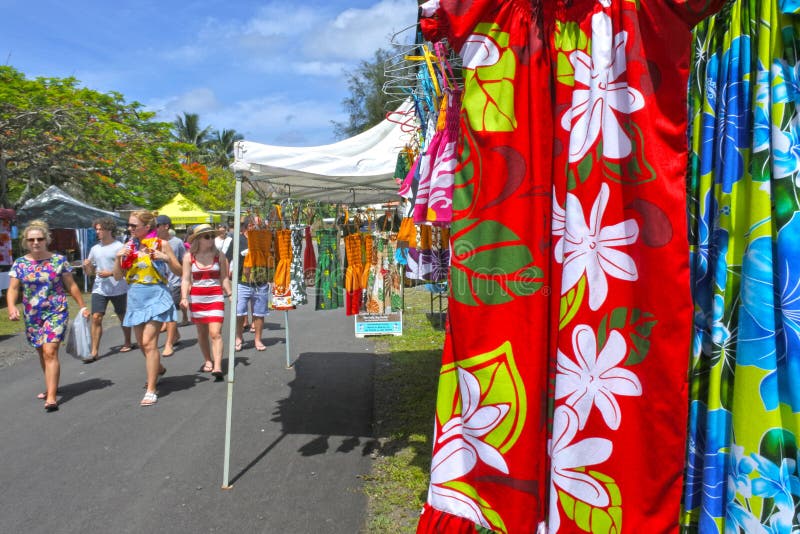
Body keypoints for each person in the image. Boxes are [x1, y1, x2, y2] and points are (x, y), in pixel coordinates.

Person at [6, 220, 89, 412]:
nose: (36, 242)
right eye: (32, 239)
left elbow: (71, 285)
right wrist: (11, 307)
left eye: (40, 239)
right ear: (26, 241)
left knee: (50, 351)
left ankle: (52, 397)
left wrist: (83, 306)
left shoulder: (58, 260)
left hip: (56, 311)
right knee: (42, 352)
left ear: (47, 240)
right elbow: (13, 288)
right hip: (32, 314)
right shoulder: (20, 264)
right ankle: (50, 385)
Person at [112, 210, 182, 407]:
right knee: (142, 345)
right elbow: (118, 276)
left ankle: (152, 389)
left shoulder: (161, 244)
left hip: (156, 294)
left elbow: (179, 271)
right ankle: (157, 367)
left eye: (134, 226)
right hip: (135, 296)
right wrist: (118, 258)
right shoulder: (129, 247)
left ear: (147, 227)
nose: (130, 229)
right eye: (129, 225)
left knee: (148, 342)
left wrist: (166, 258)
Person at [181, 224, 232, 380]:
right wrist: (184, 297)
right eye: (207, 236)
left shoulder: (220, 255)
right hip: (197, 298)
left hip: (215, 296)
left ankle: (217, 366)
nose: (211, 239)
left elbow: (223, 277)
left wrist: (230, 293)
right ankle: (207, 360)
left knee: (215, 333)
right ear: (198, 239)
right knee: (202, 333)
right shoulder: (189, 256)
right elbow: (185, 279)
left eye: (212, 236)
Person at [82, 217, 133, 361]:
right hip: (100, 288)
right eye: (96, 229)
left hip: (118, 287)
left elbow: (127, 269)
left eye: (100, 229)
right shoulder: (94, 248)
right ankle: (94, 351)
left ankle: (128, 341)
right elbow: (90, 273)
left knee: (122, 315)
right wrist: (87, 266)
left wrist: (110, 273)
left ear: (109, 230)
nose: (97, 232)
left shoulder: (120, 247)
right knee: (96, 317)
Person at [227, 216, 268, 351]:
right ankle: (238, 337)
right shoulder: (237, 240)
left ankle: (258, 340)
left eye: (259, 225)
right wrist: (227, 276)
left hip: (260, 282)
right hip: (241, 282)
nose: (257, 227)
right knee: (239, 312)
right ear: (247, 226)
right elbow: (227, 258)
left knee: (259, 313)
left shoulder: (263, 239)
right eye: (254, 225)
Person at [155, 214, 186, 354]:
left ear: (166, 226)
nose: (154, 228)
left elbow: (183, 261)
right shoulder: (152, 242)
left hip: (174, 282)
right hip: (159, 283)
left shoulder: (177, 242)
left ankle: (169, 343)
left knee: (169, 309)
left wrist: (186, 280)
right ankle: (176, 334)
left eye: (157, 225)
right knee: (165, 311)